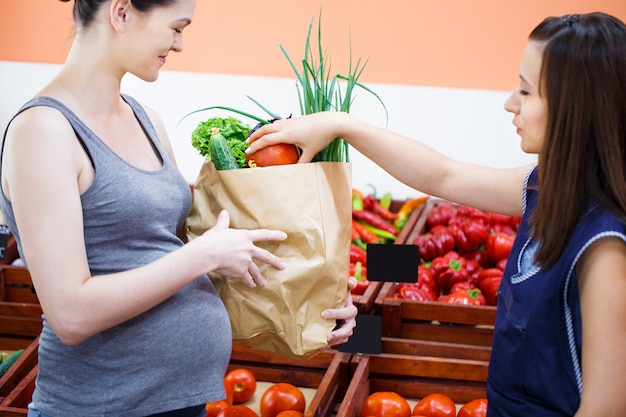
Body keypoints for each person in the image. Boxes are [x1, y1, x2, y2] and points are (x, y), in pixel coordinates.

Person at [247, 11, 626, 417]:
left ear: (576, 108)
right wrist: (341, 125)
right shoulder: (546, 188)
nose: (509, 103)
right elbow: (444, 176)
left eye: (526, 91)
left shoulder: (605, 250)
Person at [0, 1, 357, 416]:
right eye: (175, 28)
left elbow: (172, 261)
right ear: (121, 12)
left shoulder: (144, 118)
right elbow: (70, 314)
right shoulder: (43, 131)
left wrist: (314, 300)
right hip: (101, 407)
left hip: (182, 403)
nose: (180, 44)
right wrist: (203, 254)